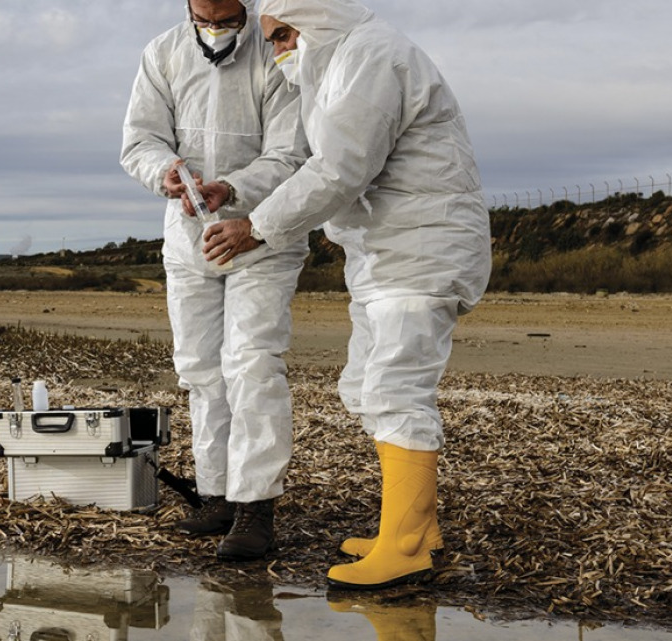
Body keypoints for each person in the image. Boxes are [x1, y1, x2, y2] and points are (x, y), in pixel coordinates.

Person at [202, 0, 491, 588]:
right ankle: (414, 527)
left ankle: (405, 547)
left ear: (318, 16)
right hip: (390, 253)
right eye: (272, 39)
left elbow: (340, 166)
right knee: (365, 386)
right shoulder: (341, 65)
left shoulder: (369, 56)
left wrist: (255, 226)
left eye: (284, 34)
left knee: (395, 390)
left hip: (420, 251)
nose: (279, 49)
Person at [120, 0, 310, 562]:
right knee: (201, 369)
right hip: (187, 240)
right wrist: (169, 174)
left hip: (263, 235)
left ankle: (257, 507)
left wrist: (230, 187)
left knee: (251, 363)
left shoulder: (274, 46)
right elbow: (139, 140)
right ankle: (219, 494)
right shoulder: (162, 52)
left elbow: (291, 152)